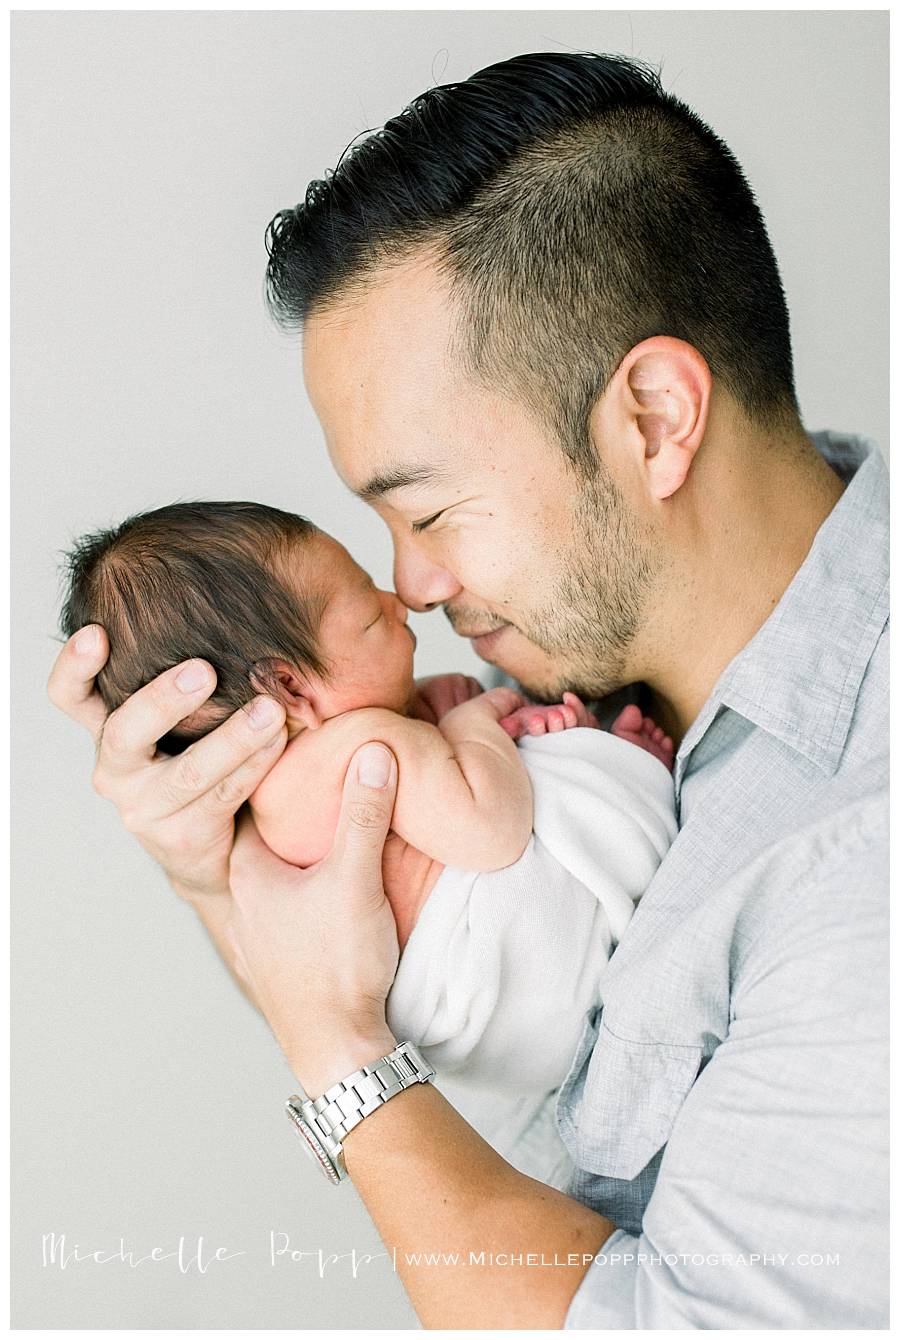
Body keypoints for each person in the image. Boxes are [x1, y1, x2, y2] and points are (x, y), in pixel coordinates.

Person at [48, 51, 888, 1327]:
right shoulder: (552, 681)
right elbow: (394, 971)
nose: (414, 585)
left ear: (656, 420)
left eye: (429, 509)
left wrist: (340, 1056)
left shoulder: (862, 853)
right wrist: (218, 868)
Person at [59, 498, 677, 1189]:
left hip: (500, 1055)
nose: (399, 600)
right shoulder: (360, 745)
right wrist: (479, 718)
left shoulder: (267, 799)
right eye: (367, 611)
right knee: (559, 775)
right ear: (291, 687)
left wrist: (440, 719)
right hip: (534, 983)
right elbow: (491, 829)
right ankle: (629, 763)